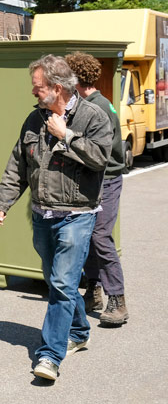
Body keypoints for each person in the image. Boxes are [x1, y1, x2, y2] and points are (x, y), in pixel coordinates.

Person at [0, 54, 112, 382]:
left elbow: (103, 159)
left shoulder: (92, 117)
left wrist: (67, 136)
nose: (34, 93)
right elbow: (19, 162)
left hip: (77, 215)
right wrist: (3, 201)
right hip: (42, 215)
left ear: (56, 88)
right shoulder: (34, 120)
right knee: (58, 281)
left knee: (61, 283)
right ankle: (80, 330)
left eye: (38, 87)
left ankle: (49, 356)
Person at [64, 51, 128, 326]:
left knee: (100, 237)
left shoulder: (97, 107)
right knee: (88, 235)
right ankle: (94, 289)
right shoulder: (92, 102)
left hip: (107, 179)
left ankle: (118, 299)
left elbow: (96, 151)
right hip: (94, 178)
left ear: (75, 79)